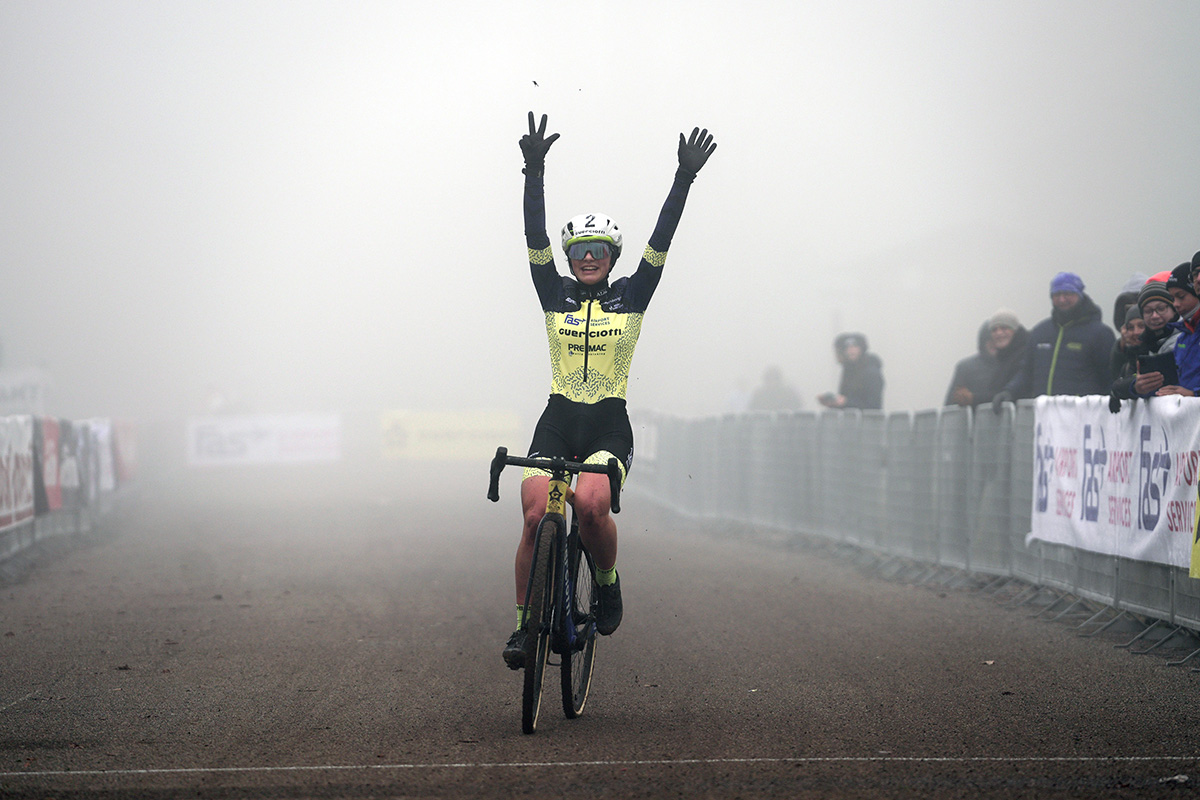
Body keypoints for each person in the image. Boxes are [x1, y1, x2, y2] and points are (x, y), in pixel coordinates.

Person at [503, 112, 716, 669]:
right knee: (532, 517)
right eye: (581, 251)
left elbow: (660, 240)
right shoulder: (554, 292)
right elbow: (534, 236)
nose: (590, 257)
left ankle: (606, 579)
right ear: (571, 261)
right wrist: (533, 171)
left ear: (611, 258)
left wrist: (683, 179)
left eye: (599, 250)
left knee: (593, 507)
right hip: (557, 417)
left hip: (606, 422)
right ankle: (525, 627)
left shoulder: (633, 295)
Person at [993, 272, 1115, 411]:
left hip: (1083, 418)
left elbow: (1109, 379)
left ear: (1080, 295)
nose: (1062, 299)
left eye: (1067, 293)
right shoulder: (1039, 332)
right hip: (1044, 418)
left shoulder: (1099, 333)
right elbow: (1026, 372)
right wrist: (1009, 392)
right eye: (1056, 295)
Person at [1110, 279, 1178, 408]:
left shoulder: (1185, 339)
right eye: (1148, 311)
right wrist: (1133, 386)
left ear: (1174, 309)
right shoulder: (1146, 346)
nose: (1154, 316)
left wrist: (1192, 392)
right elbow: (1120, 381)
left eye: (1161, 309)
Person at [944, 309, 1028, 408]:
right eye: (994, 330)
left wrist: (973, 399)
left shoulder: (1023, 356)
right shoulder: (967, 367)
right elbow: (950, 405)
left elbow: (1009, 395)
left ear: (1015, 331)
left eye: (1004, 328)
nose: (999, 333)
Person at [817, 332, 883, 410]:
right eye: (847, 347)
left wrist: (846, 402)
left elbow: (873, 406)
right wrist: (834, 402)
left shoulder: (871, 372)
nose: (851, 350)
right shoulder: (847, 371)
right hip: (850, 420)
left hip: (867, 421)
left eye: (855, 346)